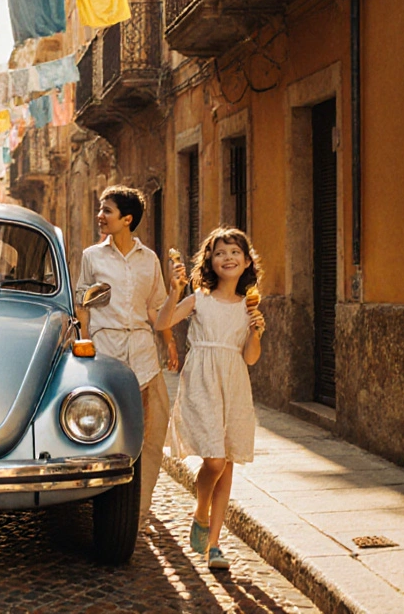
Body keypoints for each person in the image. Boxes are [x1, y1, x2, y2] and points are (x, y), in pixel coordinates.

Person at [155, 227, 265, 571]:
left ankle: (215, 544)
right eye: (220, 253)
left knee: (227, 461)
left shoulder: (250, 306)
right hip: (201, 380)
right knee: (215, 461)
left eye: (234, 252)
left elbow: (250, 358)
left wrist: (256, 331)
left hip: (233, 382)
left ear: (246, 261)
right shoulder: (200, 298)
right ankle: (201, 511)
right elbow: (163, 321)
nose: (227, 257)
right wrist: (175, 291)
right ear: (210, 261)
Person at [75, 185, 180, 532]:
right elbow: (82, 304)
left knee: (151, 433)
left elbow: (155, 307)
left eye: (107, 210)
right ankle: (105, 506)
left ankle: (140, 509)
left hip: (144, 355)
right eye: (100, 209)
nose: (100, 216)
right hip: (106, 356)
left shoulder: (148, 259)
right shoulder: (92, 256)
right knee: (106, 432)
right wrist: (85, 342)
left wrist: (169, 342)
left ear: (127, 218)